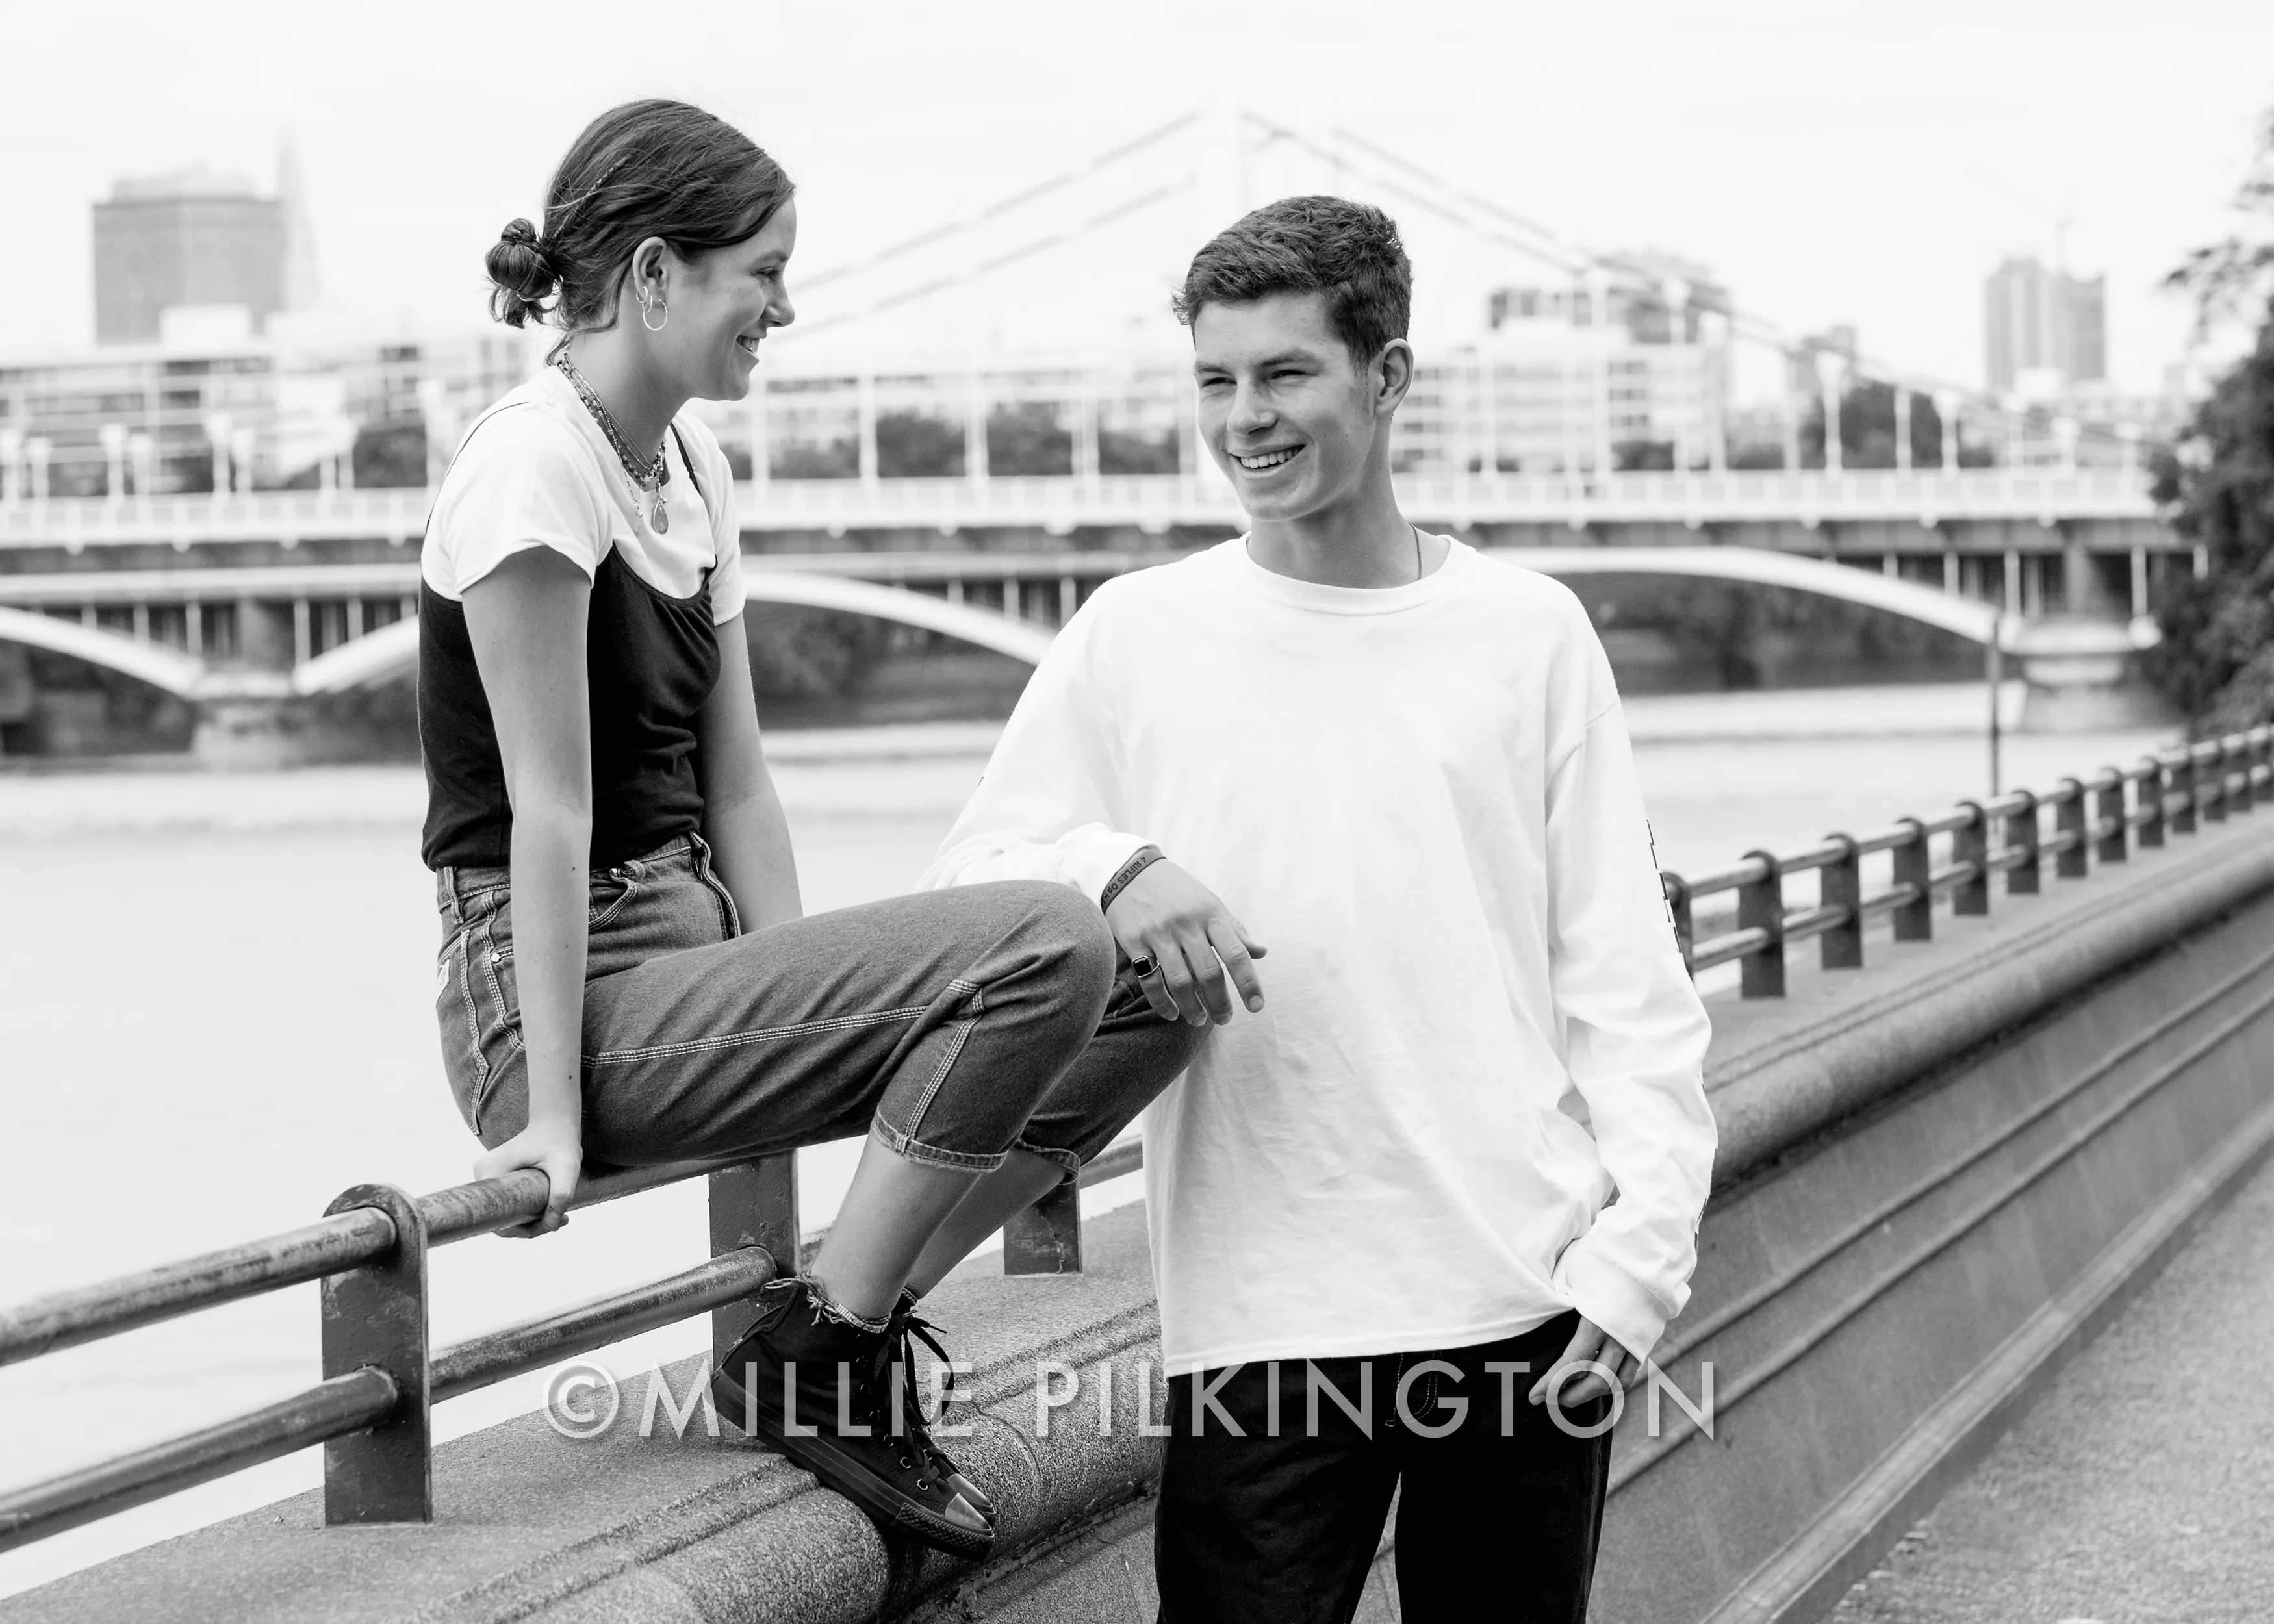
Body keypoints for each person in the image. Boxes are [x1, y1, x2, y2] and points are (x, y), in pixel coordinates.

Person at [421, 98, 1204, 1563]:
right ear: (655, 276)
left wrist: (803, 1008)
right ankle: (824, 1350)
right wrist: (546, 1118)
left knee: (1165, 981)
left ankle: (839, 1314)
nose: (784, 304)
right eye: (760, 272)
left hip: (703, 962)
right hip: (558, 998)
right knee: (1049, 930)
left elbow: (742, 788)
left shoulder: (692, 467)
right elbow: (549, 808)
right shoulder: (534, 464)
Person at [920, 197, 1716, 1620]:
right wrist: (1116, 866)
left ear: (1387, 375)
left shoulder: (1529, 632)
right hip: (1258, 1320)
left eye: (1285, 374)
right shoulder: (1130, 634)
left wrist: (1637, 1263)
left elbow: (1623, 976)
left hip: (1522, 1301)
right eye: (1215, 381)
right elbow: (981, 871)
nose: (1245, 419)